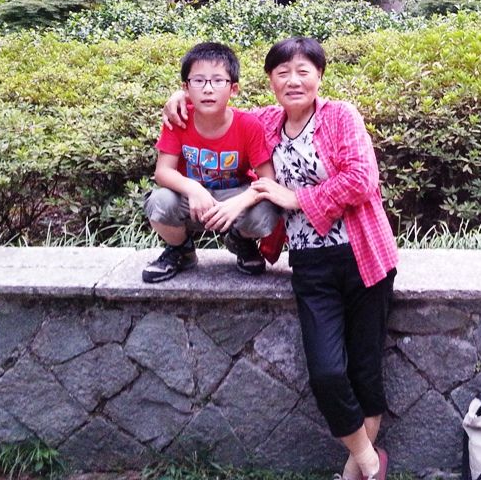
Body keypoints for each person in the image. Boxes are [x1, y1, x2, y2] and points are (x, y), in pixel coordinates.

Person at [165, 36, 397, 480]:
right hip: (309, 263)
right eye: (282, 72)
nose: (293, 81)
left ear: (319, 76)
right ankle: (371, 461)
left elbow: (362, 179)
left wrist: (296, 198)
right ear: (270, 80)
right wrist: (181, 100)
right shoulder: (267, 122)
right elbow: (218, 110)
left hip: (365, 257)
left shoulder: (340, 116)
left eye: (303, 71)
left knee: (365, 371)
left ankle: (356, 474)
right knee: (327, 373)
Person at [143, 41, 279, 282]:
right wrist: (193, 188)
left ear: (233, 89)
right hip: (190, 200)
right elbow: (163, 172)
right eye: (198, 81)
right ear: (186, 88)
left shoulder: (248, 125)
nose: (208, 89)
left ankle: (240, 240)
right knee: (159, 201)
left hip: (233, 197)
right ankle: (181, 249)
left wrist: (239, 203)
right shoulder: (179, 119)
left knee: (266, 211)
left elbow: (268, 179)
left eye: (218, 81)